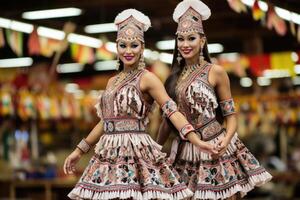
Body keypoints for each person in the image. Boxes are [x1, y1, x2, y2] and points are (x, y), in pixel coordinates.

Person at [64, 8, 218, 200]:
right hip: (108, 154)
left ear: (142, 47)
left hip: (136, 153)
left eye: (134, 45)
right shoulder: (112, 81)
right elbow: (105, 122)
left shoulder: (148, 79)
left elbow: (172, 112)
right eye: (123, 45)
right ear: (117, 47)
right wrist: (79, 151)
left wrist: (196, 141)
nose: (128, 51)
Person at [156, 0, 272, 199]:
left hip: (216, 147)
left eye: (191, 38)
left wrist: (226, 141)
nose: (185, 44)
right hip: (184, 151)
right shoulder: (172, 78)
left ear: (202, 41)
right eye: (180, 39)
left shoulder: (216, 72)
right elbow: (167, 122)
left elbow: (231, 116)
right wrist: (155, 152)